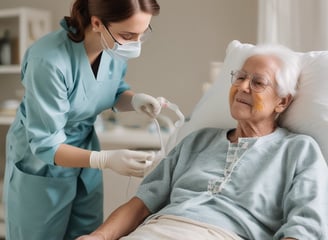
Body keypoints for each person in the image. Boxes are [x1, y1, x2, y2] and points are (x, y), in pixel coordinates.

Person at [76, 44, 328, 240]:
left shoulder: (298, 151)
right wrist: (98, 236)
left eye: (258, 82)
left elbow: (305, 227)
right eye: (240, 77)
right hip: (155, 231)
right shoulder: (197, 141)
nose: (242, 87)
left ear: (282, 102)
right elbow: (142, 203)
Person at [3, 0, 162, 239]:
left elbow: (111, 91)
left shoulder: (112, 48)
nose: (135, 44)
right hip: (43, 162)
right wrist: (105, 159)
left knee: (88, 234)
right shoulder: (48, 60)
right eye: (129, 35)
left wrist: (135, 100)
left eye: (142, 34)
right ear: (97, 23)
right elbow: (47, 144)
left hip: (85, 153)